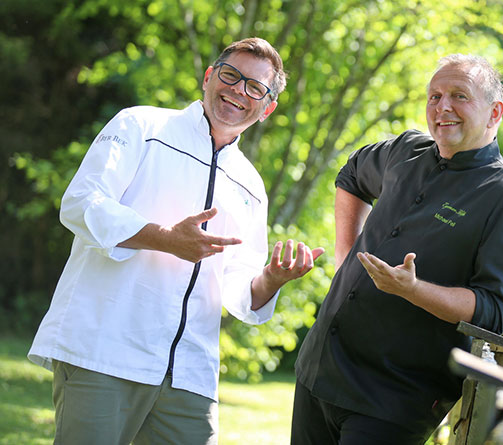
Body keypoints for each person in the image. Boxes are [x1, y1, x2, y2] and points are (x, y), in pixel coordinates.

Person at [28, 37, 323, 445]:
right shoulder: (140, 125)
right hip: (105, 349)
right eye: (231, 75)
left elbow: (238, 287)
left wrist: (272, 279)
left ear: (267, 107)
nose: (239, 90)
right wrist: (165, 239)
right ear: (209, 77)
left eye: (256, 87)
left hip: (189, 374)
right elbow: (81, 203)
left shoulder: (252, 185)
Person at [290, 54, 503, 444]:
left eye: (459, 96)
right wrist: (346, 259)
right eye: (434, 96)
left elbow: (495, 310)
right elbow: (352, 175)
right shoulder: (405, 150)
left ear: (495, 112)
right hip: (319, 369)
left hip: (392, 401)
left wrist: (414, 290)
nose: (443, 107)